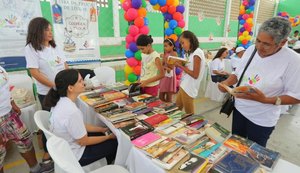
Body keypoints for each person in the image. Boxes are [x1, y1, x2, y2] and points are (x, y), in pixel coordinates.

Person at [218, 17, 300, 147]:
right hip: (240, 110)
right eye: (258, 41)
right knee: (235, 146)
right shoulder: (251, 50)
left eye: (266, 44)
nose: (259, 47)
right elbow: (238, 73)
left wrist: (265, 100)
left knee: (254, 153)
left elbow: (296, 96)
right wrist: (226, 83)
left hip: (262, 119)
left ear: (282, 42)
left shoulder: (293, 61)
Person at [44, 69, 117, 166]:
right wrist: (108, 137)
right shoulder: (71, 111)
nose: (84, 83)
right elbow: (83, 141)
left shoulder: (59, 101)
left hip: (66, 147)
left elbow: (79, 126)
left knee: (100, 133)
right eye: (80, 81)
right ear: (70, 88)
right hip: (76, 155)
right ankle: (104, 166)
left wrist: (102, 129)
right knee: (115, 143)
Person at [24, 17, 68, 169]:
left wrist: (70, 81)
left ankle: (64, 145)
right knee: (50, 121)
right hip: (47, 92)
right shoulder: (31, 48)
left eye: (51, 29)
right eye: (46, 30)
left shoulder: (55, 47)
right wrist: (54, 85)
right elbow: (35, 73)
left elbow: (64, 65)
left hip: (63, 89)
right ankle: (48, 153)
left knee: (63, 118)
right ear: (37, 31)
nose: (50, 32)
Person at [0, 66, 51, 173]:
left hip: (9, 113)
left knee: (25, 140)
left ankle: (35, 169)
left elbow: (5, 86)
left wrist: (12, 103)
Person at [175, 31, 205, 114]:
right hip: (184, 84)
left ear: (190, 40)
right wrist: (180, 63)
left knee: (190, 114)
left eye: (183, 43)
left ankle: (192, 126)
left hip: (189, 87)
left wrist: (181, 66)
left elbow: (195, 75)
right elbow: (188, 67)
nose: (182, 46)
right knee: (177, 109)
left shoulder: (197, 53)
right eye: (181, 44)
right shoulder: (190, 53)